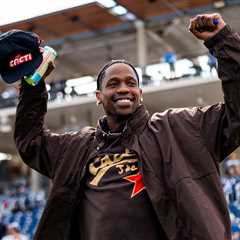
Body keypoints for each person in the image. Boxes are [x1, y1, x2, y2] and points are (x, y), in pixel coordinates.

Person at [13, 13, 240, 240]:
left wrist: (222, 42)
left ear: (140, 94)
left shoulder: (178, 128)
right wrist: (33, 88)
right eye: (113, 84)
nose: (123, 89)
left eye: (131, 83)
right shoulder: (75, 148)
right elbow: (31, 143)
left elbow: (236, 116)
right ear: (98, 96)